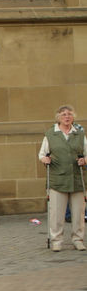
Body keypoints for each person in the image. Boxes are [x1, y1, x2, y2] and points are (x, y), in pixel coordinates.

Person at [38, 105, 86, 252]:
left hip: (76, 178)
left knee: (78, 213)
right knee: (56, 213)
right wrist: (45, 160)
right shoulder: (51, 134)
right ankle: (56, 240)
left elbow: (85, 153)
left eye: (69, 114)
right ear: (58, 117)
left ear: (73, 117)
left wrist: (84, 160)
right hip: (57, 179)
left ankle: (78, 239)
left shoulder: (79, 134)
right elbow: (42, 154)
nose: (67, 117)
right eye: (64, 114)